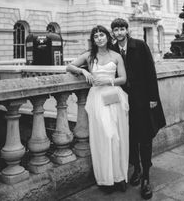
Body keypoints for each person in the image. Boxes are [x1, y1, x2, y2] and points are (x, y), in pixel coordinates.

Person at [66, 25, 129, 194]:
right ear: (93, 40)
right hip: (97, 99)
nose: (99, 38)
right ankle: (105, 179)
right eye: (96, 36)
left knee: (117, 136)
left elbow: (123, 78)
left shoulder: (116, 56)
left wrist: (108, 82)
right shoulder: (89, 55)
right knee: (104, 136)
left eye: (102, 35)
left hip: (114, 96)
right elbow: (69, 67)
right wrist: (83, 72)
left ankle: (119, 177)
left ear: (108, 37)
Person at [111, 18, 166, 200]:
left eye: (121, 29)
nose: (119, 33)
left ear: (127, 31)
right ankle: (136, 168)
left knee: (145, 137)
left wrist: (153, 98)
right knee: (130, 137)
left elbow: (151, 72)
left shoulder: (140, 45)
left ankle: (146, 178)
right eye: (116, 30)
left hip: (142, 100)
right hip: (123, 101)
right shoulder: (112, 50)